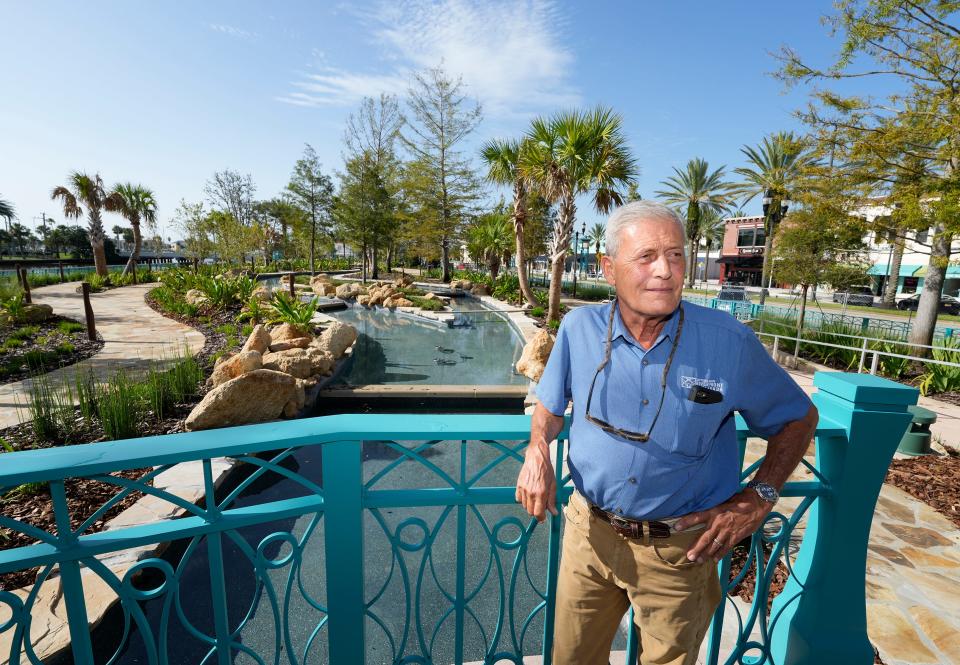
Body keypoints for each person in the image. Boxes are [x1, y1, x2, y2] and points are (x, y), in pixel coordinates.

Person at [515, 201, 818, 665]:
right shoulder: (579, 328)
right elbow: (551, 408)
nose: (665, 271)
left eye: (676, 256)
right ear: (608, 268)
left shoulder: (727, 341)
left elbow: (798, 418)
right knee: (571, 657)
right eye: (647, 257)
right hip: (589, 537)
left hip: (682, 551)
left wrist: (759, 497)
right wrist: (537, 452)